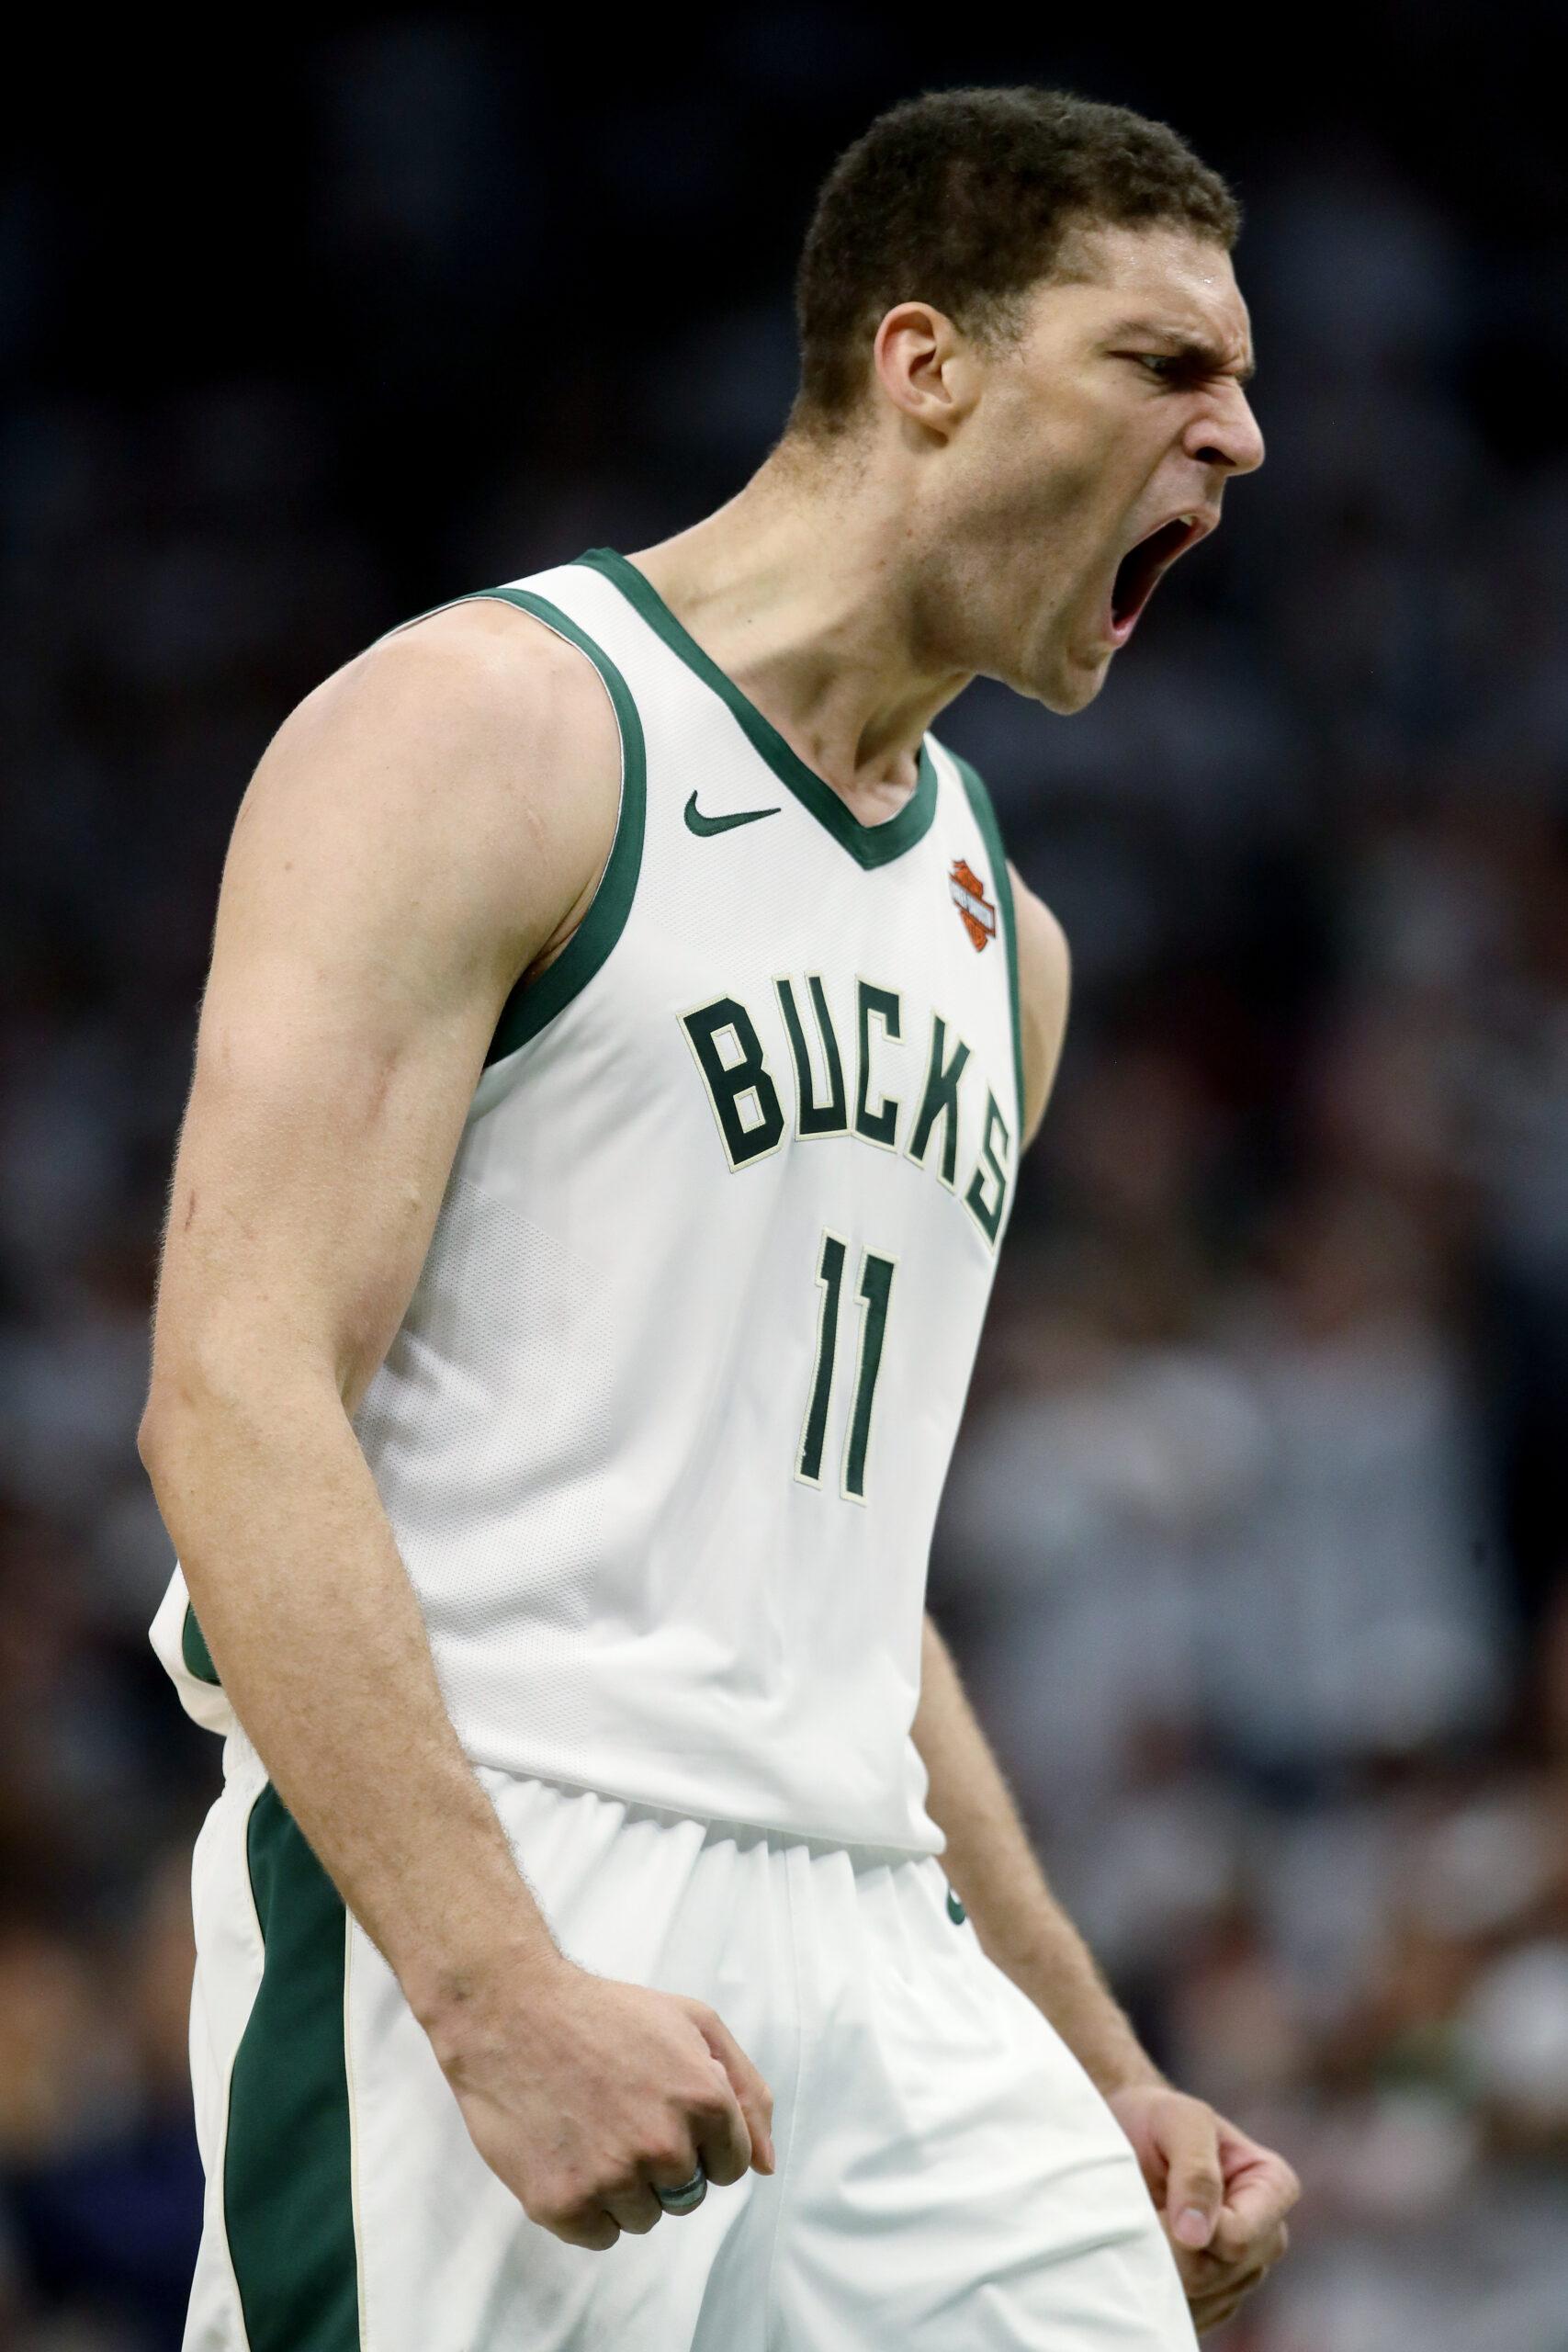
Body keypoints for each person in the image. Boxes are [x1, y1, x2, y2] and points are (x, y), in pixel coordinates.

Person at [140, 84, 1297, 2352]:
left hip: (882, 1936)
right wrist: (488, 1981)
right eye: (1163, 363)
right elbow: (232, 1391)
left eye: (1240, 380)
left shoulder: (1005, 940)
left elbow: (843, 1585)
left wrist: (1091, 2057)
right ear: (922, 360)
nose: (1238, 436)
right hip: (501, 1848)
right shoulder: (487, 726)